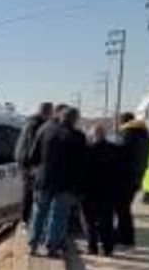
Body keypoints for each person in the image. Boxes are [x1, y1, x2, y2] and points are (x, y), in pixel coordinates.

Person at [27, 106, 86, 257]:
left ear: (60, 116)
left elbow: (33, 156)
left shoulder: (44, 130)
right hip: (65, 184)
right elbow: (81, 166)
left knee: (39, 213)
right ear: (74, 120)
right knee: (58, 216)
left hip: (43, 180)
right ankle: (52, 248)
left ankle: (32, 245)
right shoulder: (78, 136)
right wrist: (79, 189)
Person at [81, 124, 119, 256]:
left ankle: (92, 247)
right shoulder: (114, 150)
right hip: (108, 193)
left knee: (89, 221)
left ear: (93, 135)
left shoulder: (87, 150)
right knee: (107, 222)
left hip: (89, 193)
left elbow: (82, 173)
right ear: (105, 135)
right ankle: (108, 249)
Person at [115, 111, 149, 246]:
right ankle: (124, 237)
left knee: (122, 209)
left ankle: (125, 238)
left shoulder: (128, 134)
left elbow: (121, 155)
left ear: (123, 122)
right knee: (125, 208)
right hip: (137, 178)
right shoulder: (145, 135)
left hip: (124, 178)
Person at [14, 102, 55, 224]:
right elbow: (32, 145)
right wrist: (34, 165)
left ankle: (26, 217)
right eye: (51, 113)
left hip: (22, 158)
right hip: (28, 161)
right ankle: (26, 219)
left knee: (28, 189)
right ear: (47, 112)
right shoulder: (36, 125)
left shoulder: (29, 122)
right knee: (29, 190)